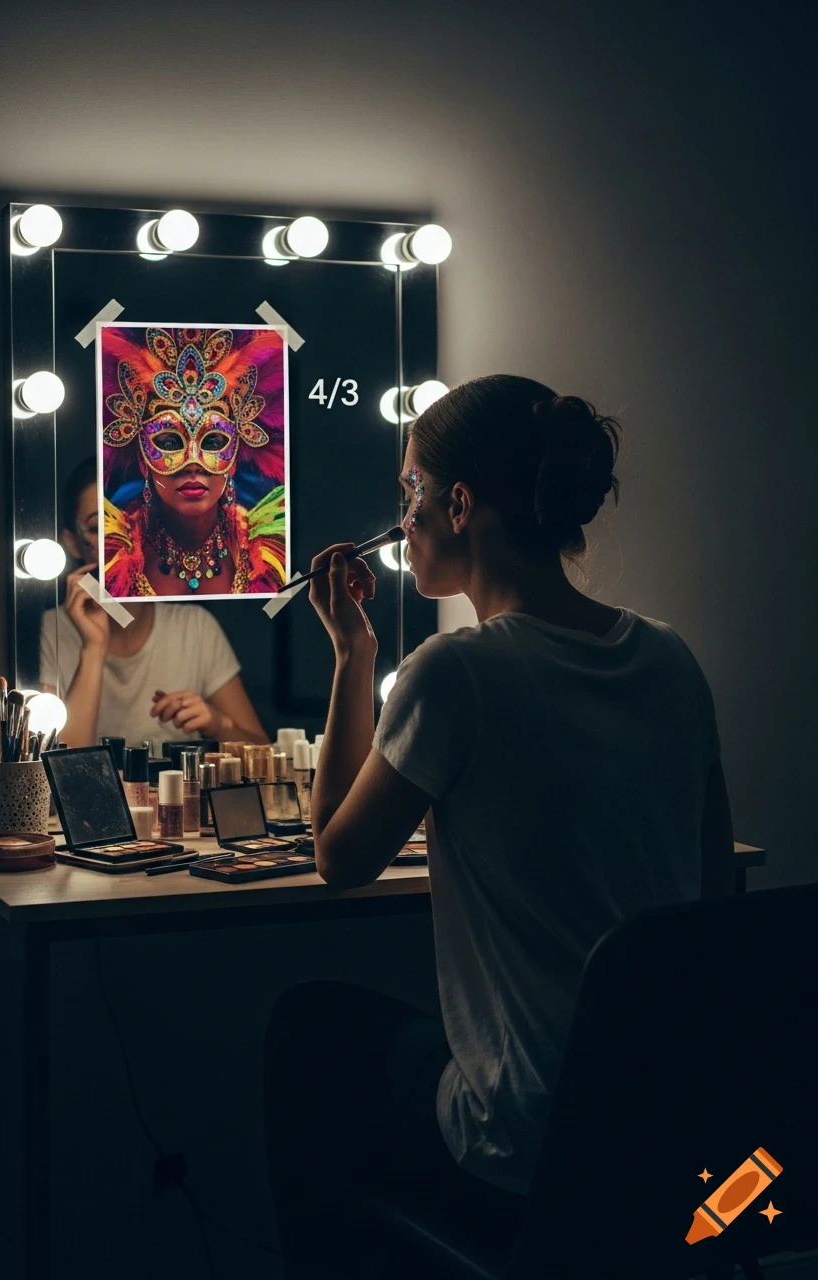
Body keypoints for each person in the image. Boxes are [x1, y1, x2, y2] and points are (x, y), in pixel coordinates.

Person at [263, 375, 734, 1275]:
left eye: (410, 492)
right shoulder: (670, 659)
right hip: (665, 1115)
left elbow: (337, 857)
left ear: (459, 505)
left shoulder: (456, 673)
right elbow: (714, 893)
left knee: (309, 1031)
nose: (402, 521)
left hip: (527, 1129)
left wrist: (353, 653)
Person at [40, 458, 269, 749]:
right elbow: (60, 765)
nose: (119, 539)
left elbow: (263, 752)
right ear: (73, 543)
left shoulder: (194, 628)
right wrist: (93, 648)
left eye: (135, 520)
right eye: (99, 527)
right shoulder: (50, 631)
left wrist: (216, 723)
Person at [100, 324, 286, 597]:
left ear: (234, 456)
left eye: (213, 441)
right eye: (168, 442)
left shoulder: (275, 552)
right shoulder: (109, 559)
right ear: (142, 457)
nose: (193, 463)